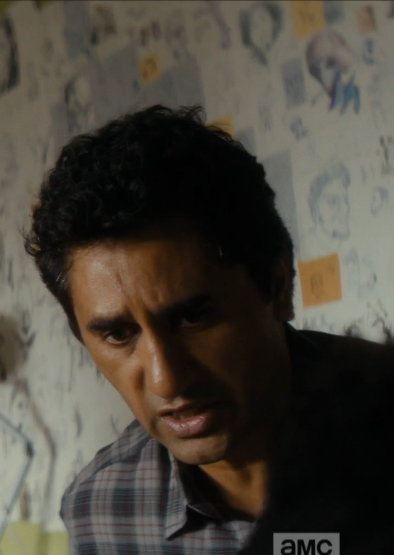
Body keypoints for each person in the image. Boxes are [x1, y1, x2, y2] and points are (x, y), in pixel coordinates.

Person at [24, 105, 393, 553]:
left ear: (277, 285)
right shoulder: (103, 513)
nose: (166, 379)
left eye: (193, 318)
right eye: (119, 335)